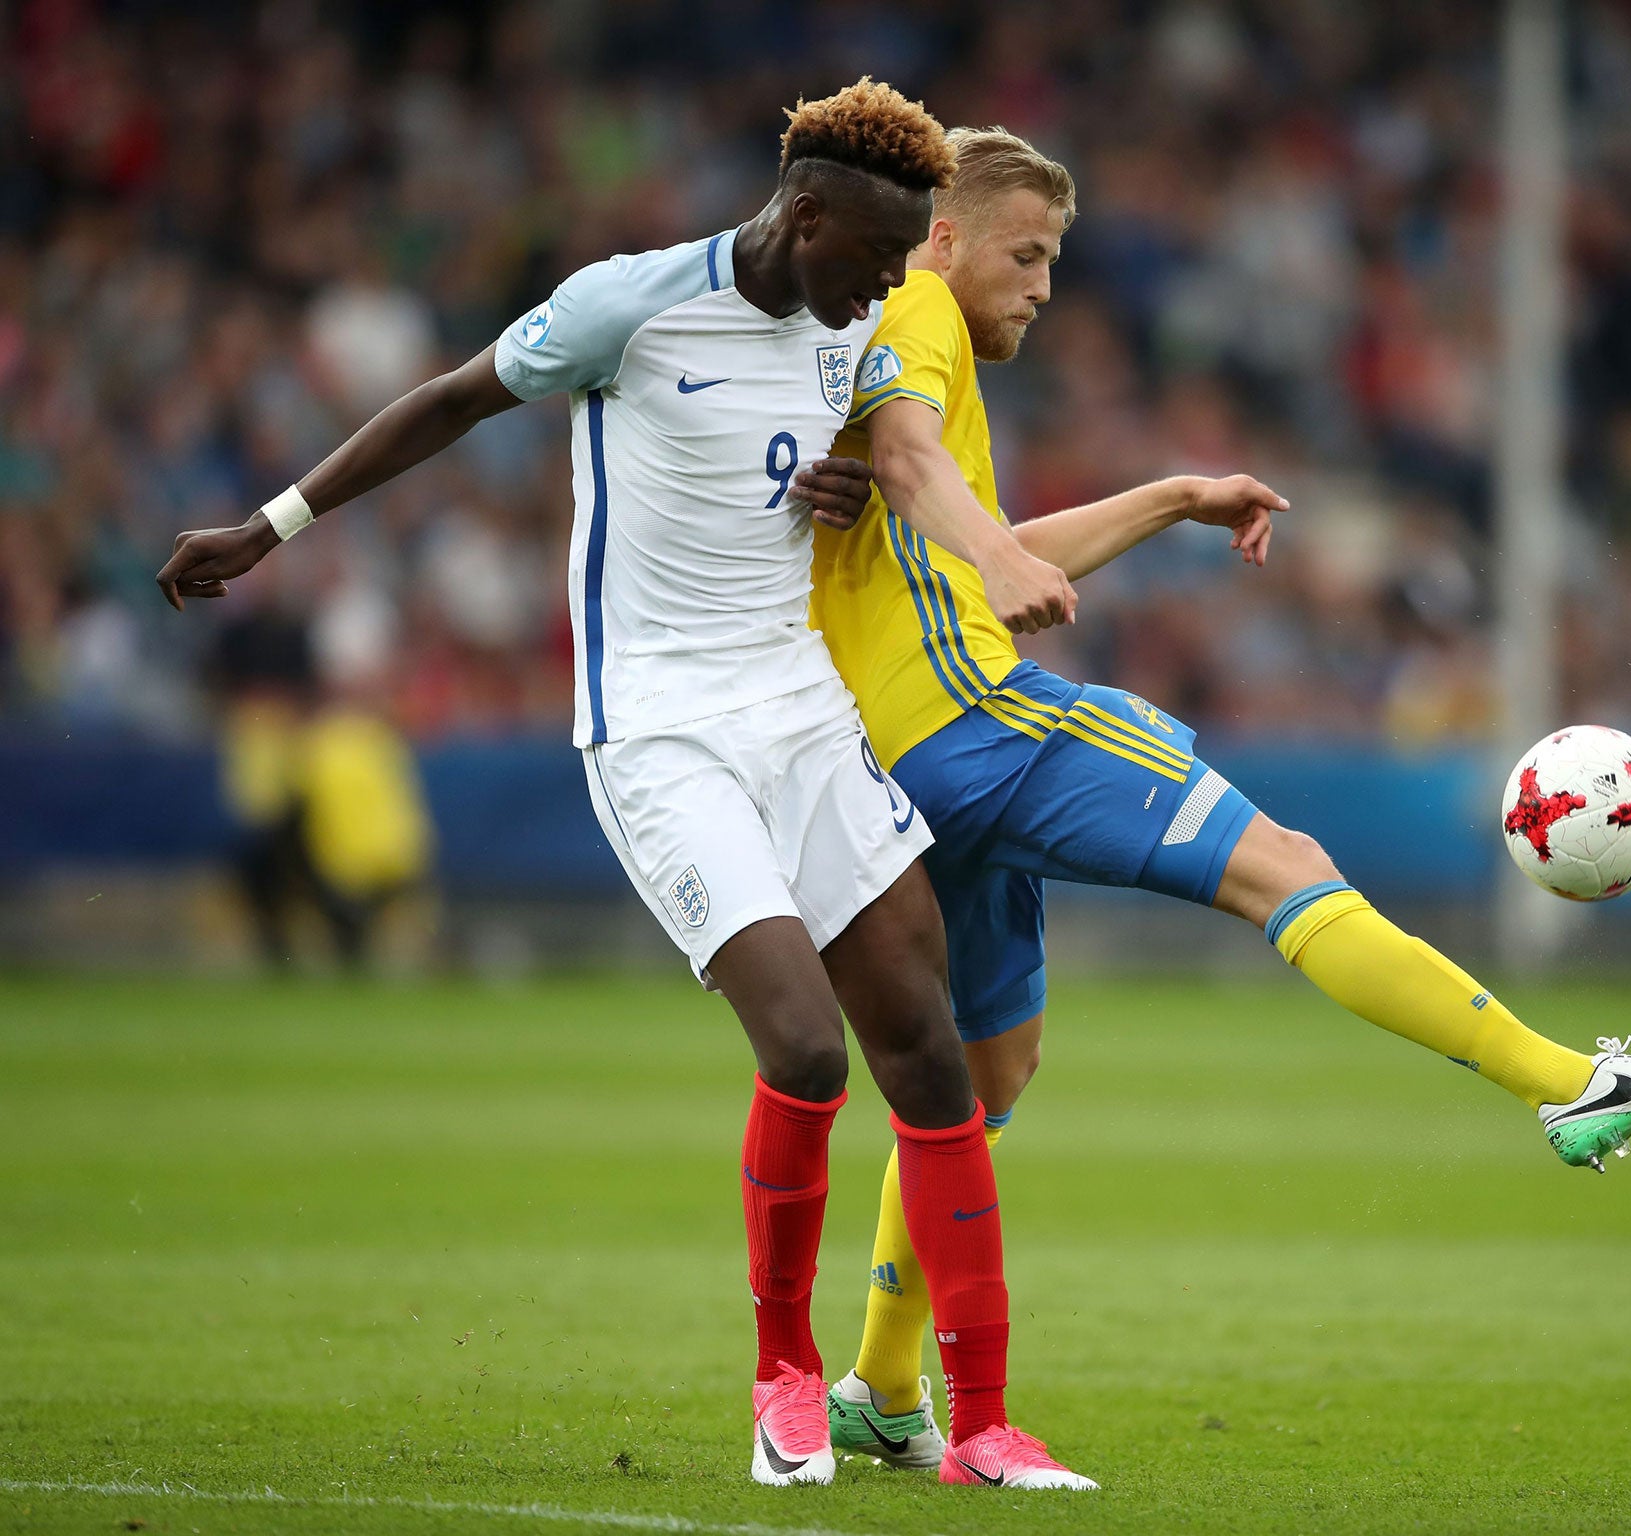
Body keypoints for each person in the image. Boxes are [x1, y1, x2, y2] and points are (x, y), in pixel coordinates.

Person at [155, 81, 1094, 1492]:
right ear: (807, 214)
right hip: (661, 730)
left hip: (802, 710)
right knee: (806, 1051)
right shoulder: (631, 305)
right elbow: (454, 400)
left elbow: (858, 459)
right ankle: (785, 1378)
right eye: (874, 260)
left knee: (928, 1050)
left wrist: (838, 489)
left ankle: (983, 1428)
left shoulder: (856, 333)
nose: (890, 291)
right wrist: (269, 526)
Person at [805, 127, 1631, 1465]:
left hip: (901, 749)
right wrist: (992, 562)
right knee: (1282, 861)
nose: (1044, 286)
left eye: (1056, 260)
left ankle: (882, 1390)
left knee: (982, 1071)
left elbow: (974, 540)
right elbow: (916, 471)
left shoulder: (905, 343)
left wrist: (1172, 497)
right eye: (1027, 255)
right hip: (978, 722)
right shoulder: (912, 308)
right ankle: (1566, 1085)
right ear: (946, 238)